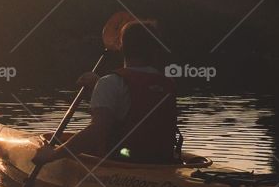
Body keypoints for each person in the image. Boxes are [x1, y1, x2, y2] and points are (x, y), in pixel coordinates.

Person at [32, 18, 178, 167]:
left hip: (121, 162)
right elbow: (138, 101)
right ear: (155, 49)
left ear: (121, 47)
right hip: (163, 162)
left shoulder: (111, 83)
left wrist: (53, 155)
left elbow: (96, 134)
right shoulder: (168, 83)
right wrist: (99, 85)